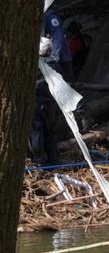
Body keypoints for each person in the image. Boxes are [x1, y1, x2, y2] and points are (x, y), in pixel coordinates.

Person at [30, 38, 61, 167]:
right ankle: (53, 162)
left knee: (36, 132)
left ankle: (38, 162)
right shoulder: (54, 65)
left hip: (36, 103)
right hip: (49, 105)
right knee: (48, 133)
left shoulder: (32, 64)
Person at [42, 0, 74, 81]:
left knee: (66, 83)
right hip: (48, 58)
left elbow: (58, 38)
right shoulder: (42, 18)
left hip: (61, 60)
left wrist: (53, 58)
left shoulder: (52, 19)